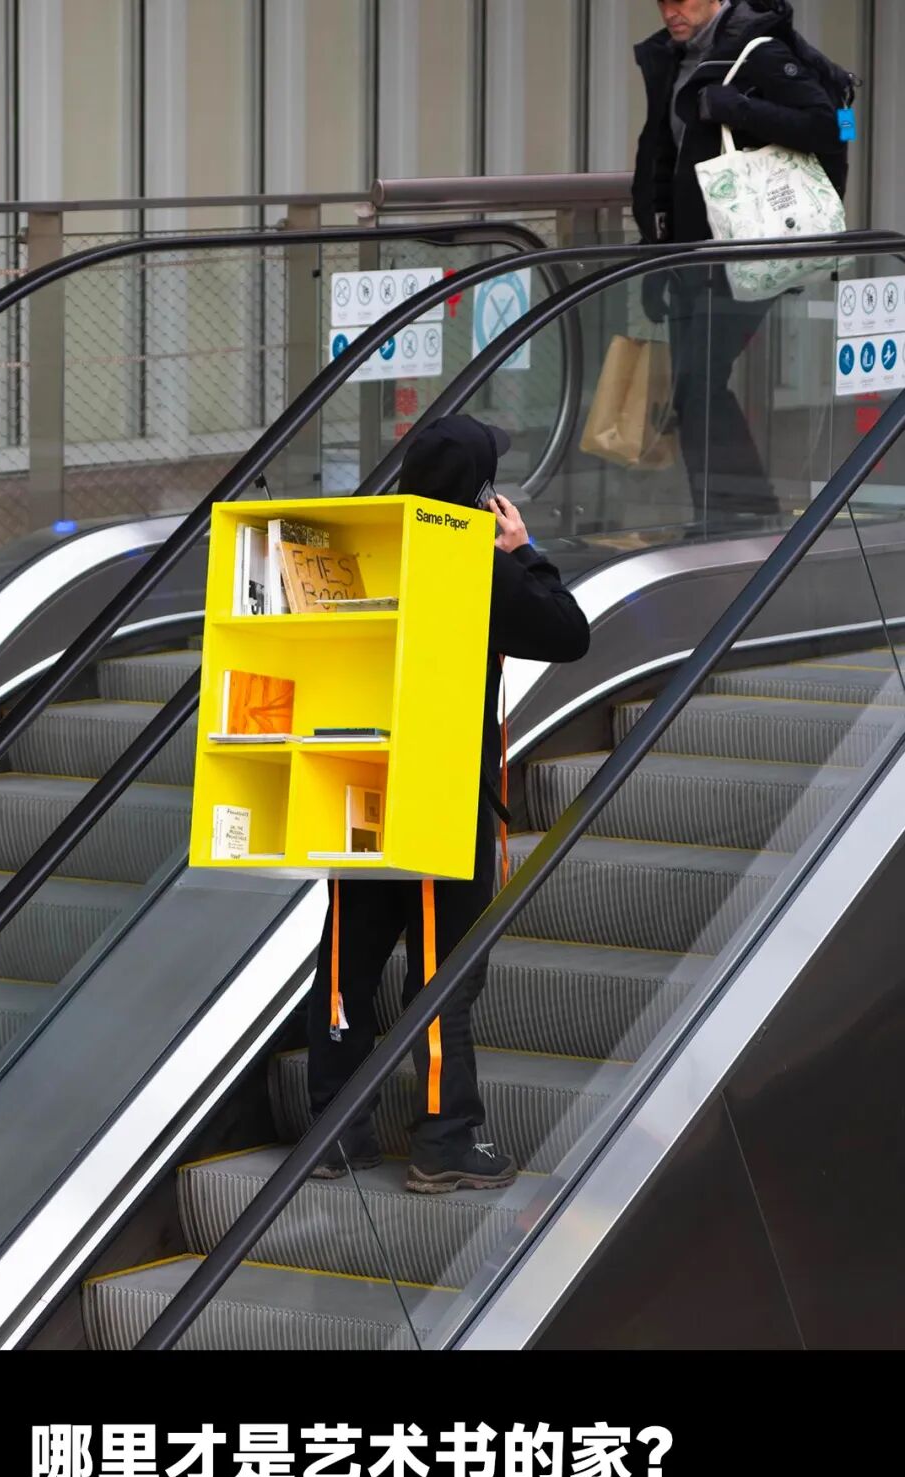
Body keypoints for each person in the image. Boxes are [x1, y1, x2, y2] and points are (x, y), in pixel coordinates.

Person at [306, 415, 591, 1194]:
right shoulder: (474, 562)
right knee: (443, 971)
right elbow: (568, 634)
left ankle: (333, 1131)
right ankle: (443, 1136)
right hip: (442, 793)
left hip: (357, 779)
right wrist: (522, 550)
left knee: (348, 961)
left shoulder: (363, 548)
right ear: (483, 493)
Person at [633, 0, 850, 531]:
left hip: (744, 253)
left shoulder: (759, 51)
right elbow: (662, 157)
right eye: (661, 1)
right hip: (691, 255)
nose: (670, 11)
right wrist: (654, 252)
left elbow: (830, 127)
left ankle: (738, 514)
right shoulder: (672, 59)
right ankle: (726, 514)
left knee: (698, 383)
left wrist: (736, 109)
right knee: (693, 387)